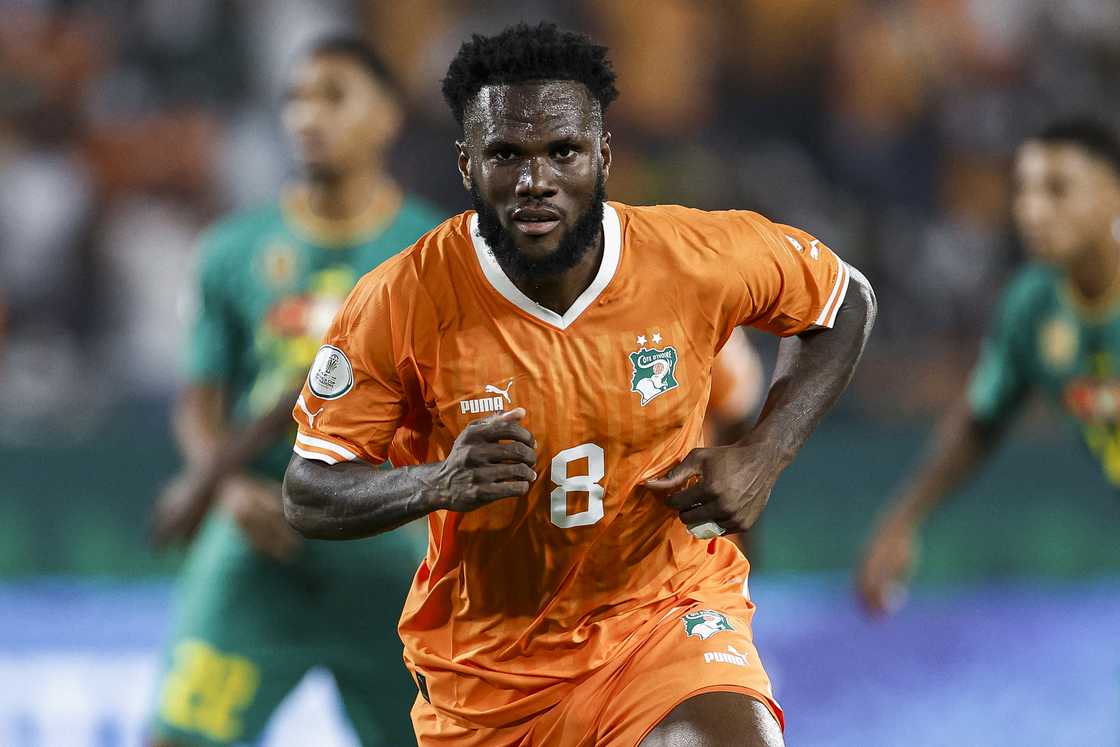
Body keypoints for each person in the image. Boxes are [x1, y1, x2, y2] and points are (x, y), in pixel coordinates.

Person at [283, 23, 875, 747]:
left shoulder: (693, 257)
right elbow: (310, 487)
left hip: (664, 619)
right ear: (467, 164)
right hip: (491, 676)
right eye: (507, 154)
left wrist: (764, 454)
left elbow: (844, 299)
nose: (536, 180)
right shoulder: (401, 300)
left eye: (562, 150)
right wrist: (435, 482)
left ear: (603, 153)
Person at [147, 35, 442, 747]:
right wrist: (223, 490)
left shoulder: (438, 252)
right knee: (178, 737)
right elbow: (200, 399)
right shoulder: (232, 249)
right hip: (259, 541)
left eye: (334, 96)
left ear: (387, 116)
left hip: (390, 551)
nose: (308, 116)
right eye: (296, 99)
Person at [857, 118, 1120, 616]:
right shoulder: (1032, 305)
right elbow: (981, 421)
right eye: (1023, 190)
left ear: (1111, 194)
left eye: (1057, 189)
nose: (1032, 210)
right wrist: (902, 521)